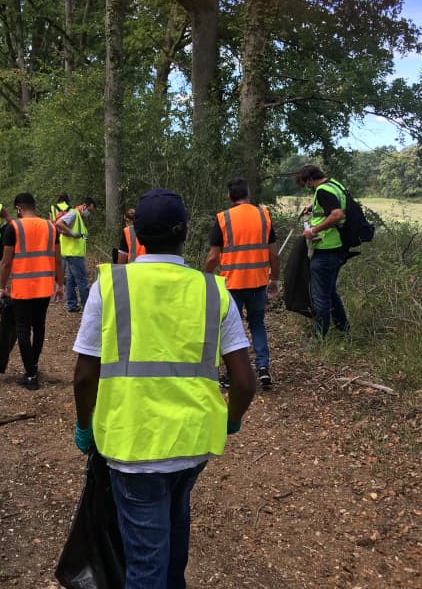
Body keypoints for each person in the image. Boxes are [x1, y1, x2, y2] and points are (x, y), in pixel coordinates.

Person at [71, 188, 256, 588]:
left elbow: (85, 376)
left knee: (144, 563)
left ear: (135, 233)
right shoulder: (213, 290)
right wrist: (232, 421)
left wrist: (85, 426)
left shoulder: (109, 286)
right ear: (185, 233)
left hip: (131, 445)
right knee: (172, 540)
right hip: (193, 443)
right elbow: (244, 381)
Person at [204, 178, 278, 388]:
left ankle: (231, 375)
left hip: (232, 284)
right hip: (258, 282)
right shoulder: (264, 216)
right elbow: (274, 254)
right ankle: (263, 368)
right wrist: (274, 279)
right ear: (249, 194)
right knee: (257, 324)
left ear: (229, 197)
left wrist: (205, 278)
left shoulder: (223, 218)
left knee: (230, 330)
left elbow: (212, 257)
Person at [0, 193, 64, 390]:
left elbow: (6, 262)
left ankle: (31, 374)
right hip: (44, 287)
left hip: (22, 288)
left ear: (19, 208)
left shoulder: (14, 227)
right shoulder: (52, 227)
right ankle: (32, 367)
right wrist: (60, 284)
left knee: (23, 329)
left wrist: (3, 287)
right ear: (34, 206)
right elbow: (57, 260)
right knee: (39, 327)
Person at [295, 164, 350, 337]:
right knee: (330, 291)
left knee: (321, 296)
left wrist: (313, 230)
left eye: (306, 184)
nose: (307, 188)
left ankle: (320, 338)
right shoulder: (334, 184)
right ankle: (344, 329)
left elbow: (337, 214)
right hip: (337, 247)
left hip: (326, 248)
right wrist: (312, 206)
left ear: (311, 179)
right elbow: (333, 203)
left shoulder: (322, 190)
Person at [55, 197, 96, 313]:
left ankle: (71, 305)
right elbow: (59, 223)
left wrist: (83, 236)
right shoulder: (73, 214)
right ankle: (87, 308)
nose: (89, 213)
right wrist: (72, 233)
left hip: (71, 253)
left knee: (71, 280)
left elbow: (78, 234)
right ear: (84, 206)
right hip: (74, 254)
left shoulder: (79, 217)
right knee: (83, 281)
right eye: (89, 210)